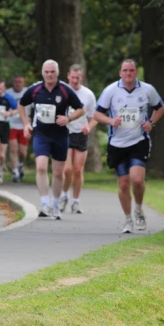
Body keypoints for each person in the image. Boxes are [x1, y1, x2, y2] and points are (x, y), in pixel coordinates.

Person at [93, 59, 164, 233]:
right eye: (125, 70)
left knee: (137, 180)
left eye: (131, 70)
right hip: (117, 144)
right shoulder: (111, 90)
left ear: (136, 72)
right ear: (120, 73)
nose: (128, 73)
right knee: (124, 184)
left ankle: (139, 210)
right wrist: (111, 121)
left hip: (139, 141)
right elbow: (96, 114)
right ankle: (127, 220)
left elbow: (160, 107)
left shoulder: (147, 90)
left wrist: (152, 123)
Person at [18, 60, 85, 219]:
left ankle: (55, 204)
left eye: (52, 72)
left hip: (60, 135)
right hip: (41, 134)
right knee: (41, 167)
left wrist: (68, 118)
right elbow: (21, 105)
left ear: (57, 73)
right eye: (47, 72)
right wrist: (26, 124)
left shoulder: (65, 90)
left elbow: (81, 109)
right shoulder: (35, 90)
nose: (49, 75)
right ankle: (44, 203)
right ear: (43, 73)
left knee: (58, 172)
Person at [59, 64, 98, 214]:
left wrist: (89, 127)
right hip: (66, 133)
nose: (75, 80)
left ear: (82, 77)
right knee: (67, 169)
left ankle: (76, 201)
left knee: (77, 170)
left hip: (81, 134)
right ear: (68, 75)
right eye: (72, 77)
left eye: (78, 78)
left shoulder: (88, 95)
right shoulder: (61, 91)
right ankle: (64, 195)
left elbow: (94, 117)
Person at [6, 75, 29, 182]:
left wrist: (31, 117)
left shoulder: (28, 92)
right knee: (13, 148)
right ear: (13, 83)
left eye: (20, 82)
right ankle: (15, 171)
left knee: (22, 151)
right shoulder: (8, 93)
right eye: (16, 82)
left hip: (24, 125)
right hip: (12, 124)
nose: (18, 84)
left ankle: (20, 164)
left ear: (23, 83)